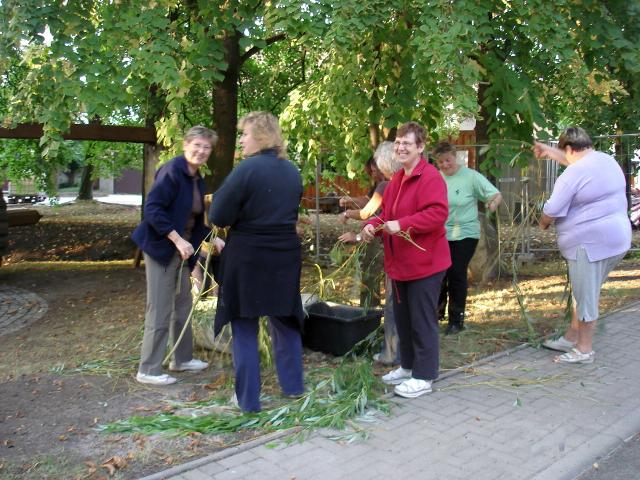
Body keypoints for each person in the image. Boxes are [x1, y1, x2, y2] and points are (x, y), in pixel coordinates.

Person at [208, 111, 305, 412]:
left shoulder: (247, 170)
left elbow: (219, 216)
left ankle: (248, 400)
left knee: (245, 325)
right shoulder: (292, 171)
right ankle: (293, 387)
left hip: (249, 256)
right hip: (284, 255)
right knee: (285, 320)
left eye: (244, 134)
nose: (240, 140)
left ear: (261, 136)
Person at [360, 122, 451, 399]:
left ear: (420, 148)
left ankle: (424, 376)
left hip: (425, 264)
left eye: (407, 144)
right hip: (400, 264)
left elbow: (437, 213)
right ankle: (409, 366)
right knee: (403, 319)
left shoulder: (430, 177)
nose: (400, 147)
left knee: (422, 321)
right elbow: (386, 213)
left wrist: (403, 225)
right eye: (398, 142)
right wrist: (372, 226)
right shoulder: (397, 179)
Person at [132, 126, 221, 386]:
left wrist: (212, 237)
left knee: (182, 304)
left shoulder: (196, 178)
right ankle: (148, 369)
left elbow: (192, 218)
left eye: (206, 147)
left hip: (182, 252)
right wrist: (176, 239)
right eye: (197, 145)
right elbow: (153, 209)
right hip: (162, 249)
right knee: (160, 308)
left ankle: (181, 359)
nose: (201, 151)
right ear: (186, 145)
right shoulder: (172, 171)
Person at [534, 127, 631, 364]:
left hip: (589, 244)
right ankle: (571, 337)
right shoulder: (605, 160)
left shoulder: (573, 173)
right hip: (617, 240)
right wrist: (549, 151)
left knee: (586, 297)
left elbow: (552, 211)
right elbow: (577, 165)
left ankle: (584, 350)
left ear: (568, 148)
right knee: (584, 291)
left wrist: (543, 223)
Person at [338, 141, 402, 364]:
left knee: (388, 297)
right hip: (402, 250)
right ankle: (399, 353)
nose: (374, 171)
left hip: (392, 249)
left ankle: (389, 348)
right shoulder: (390, 185)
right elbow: (373, 210)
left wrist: (352, 224)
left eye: (376, 167)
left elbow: (368, 213)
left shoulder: (389, 186)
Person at [433, 141, 502, 335]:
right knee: (439, 273)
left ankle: (456, 320)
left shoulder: (471, 177)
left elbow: (495, 194)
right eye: (440, 162)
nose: (445, 165)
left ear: (455, 157)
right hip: (440, 233)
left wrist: (493, 203)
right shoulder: (436, 179)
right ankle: (436, 314)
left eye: (448, 160)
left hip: (465, 233)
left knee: (456, 271)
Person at [339, 156, 386, 308]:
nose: (373, 175)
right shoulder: (379, 185)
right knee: (370, 272)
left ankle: (370, 311)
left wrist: (347, 214)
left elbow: (366, 212)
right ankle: (370, 309)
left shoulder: (387, 184)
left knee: (372, 274)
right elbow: (367, 201)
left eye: (374, 171)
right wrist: (349, 199)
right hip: (375, 231)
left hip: (381, 235)